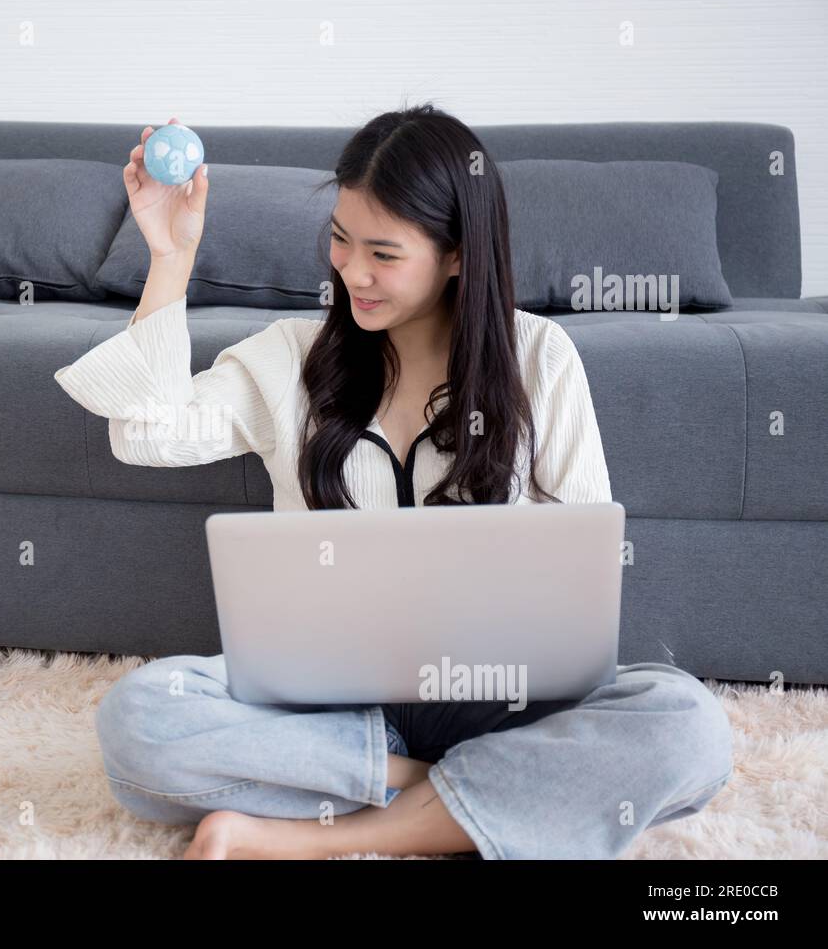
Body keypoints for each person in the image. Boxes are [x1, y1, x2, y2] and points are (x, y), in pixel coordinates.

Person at [52, 106, 734, 860]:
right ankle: (474, 794)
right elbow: (147, 433)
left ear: (456, 256)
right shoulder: (291, 355)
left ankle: (304, 836)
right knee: (140, 719)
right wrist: (170, 257)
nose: (352, 272)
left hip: (498, 695)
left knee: (687, 725)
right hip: (326, 704)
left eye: (384, 253)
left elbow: (585, 559)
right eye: (341, 241)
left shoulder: (540, 357)